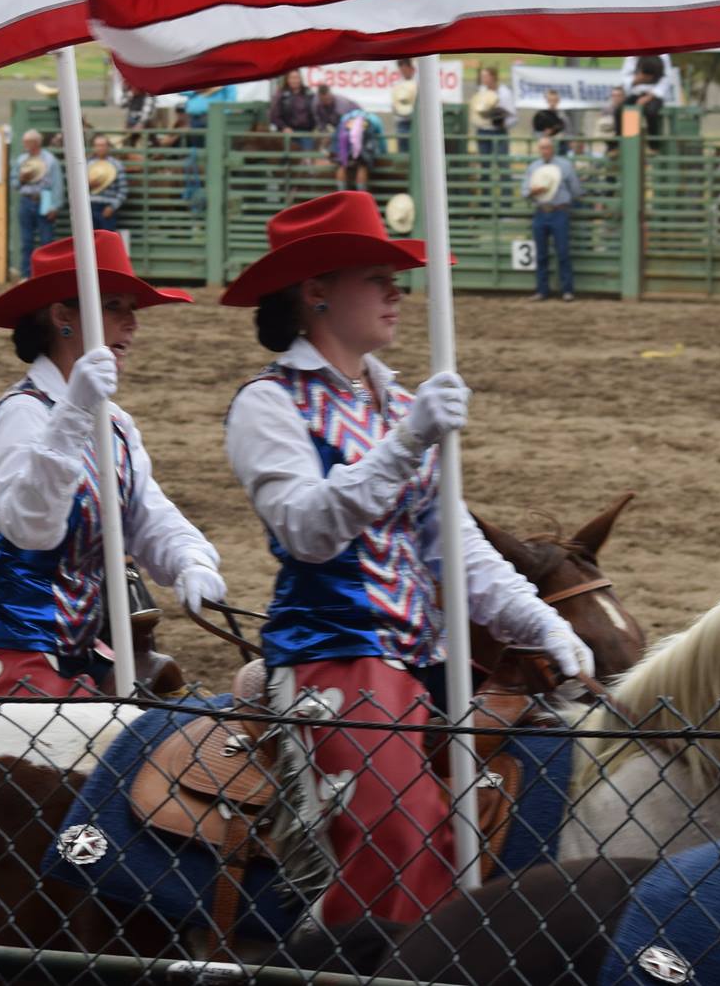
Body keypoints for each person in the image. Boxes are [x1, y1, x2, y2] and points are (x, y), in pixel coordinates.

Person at [220, 192, 593, 929]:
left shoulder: (398, 402)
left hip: (419, 663)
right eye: (375, 275)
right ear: (316, 291)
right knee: (400, 832)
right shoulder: (268, 404)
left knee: (473, 827)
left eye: (397, 275)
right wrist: (408, 442)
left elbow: (454, 546)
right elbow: (307, 529)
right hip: (332, 655)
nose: (398, 290)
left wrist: (540, 622)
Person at [0, 231, 225, 702]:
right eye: (115, 306)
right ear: (63, 317)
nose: (132, 324)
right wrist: (74, 410)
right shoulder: (21, 414)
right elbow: (31, 528)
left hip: (86, 648)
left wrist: (190, 559)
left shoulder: (116, 425)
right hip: (9, 645)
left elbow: (150, 514)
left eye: (131, 308)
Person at [521, 136, 581, 301]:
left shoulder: (565, 166)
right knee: (541, 254)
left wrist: (565, 202)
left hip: (559, 211)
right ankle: (542, 290)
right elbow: (524, 191)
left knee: (562, 252)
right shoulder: (533, 167)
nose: (544, 151)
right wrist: (533, 192)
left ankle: (567, 290)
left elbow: (575, 189)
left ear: (552, 149)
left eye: (547, 147)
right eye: (542, 148)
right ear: (539, 149)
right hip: (541, 211)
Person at [11, 129, 63, 276]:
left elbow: (57, 185)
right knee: (26, 241)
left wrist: (54, 206)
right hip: (26, 200)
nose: (24, 144)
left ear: (36, 143)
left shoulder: (50, 160)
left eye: (27, 142)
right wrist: (20, 179)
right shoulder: (21, 160)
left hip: (45, 198)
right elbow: (14, 183)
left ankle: (46, 274)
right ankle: (26, 275)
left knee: (47, 240)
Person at [331, 101, 384, 193]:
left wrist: (335, 151)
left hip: (345, 135)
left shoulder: (346, 117)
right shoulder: (372, 118)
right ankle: (361, 194)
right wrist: (383, 152)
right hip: (362, 133)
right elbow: (381, 138)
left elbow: (337, 137)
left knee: (342, 164)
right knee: (362, 164)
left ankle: (342, 193)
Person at [609, 55, 667, 138]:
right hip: (635, 93)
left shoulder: (663, 55)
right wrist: (636, 80)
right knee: (622, 111)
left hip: (654, 95)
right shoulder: (631, 55)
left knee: (651, 112)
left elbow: (666, 78)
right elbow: (626, 77)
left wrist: (649, 97)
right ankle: (624, 143)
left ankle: (654, 146)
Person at [470, 64, 515, 163]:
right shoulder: (481, 91)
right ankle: (485, 178)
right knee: (484, 162)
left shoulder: (505, 93)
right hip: (483, 131)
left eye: (485, 76)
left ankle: (504, 178)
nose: (483, 79)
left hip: (499, 131)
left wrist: (503, 123)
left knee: (502, 162)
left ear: (493, 77)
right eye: (482, 76)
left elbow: (512, 116)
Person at [269, 71, 319, 148]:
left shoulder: (309, 94)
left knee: (307, 156)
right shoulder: (281, 95)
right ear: (287, 79)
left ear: (300, 79)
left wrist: (315, 127)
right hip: (287, 132)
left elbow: (316, 112)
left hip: (306, 132)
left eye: (297, 78)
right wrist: (284, 127)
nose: (295, 80)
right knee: (289, 156)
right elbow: (274, 115)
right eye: (292, 78)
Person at [88, 135, 127, 232]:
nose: (100, 148)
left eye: (103, 145)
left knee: (106, 241)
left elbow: (123, 190)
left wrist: (112, 207)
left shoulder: (117, 165)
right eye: (97, 145)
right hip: (89, 207)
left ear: (108, 147)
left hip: (107, 207)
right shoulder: (87, 164)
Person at [530, 86, 571, 151]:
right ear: (546, 100)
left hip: (561, 148)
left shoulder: (563, 117)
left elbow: (568, 134)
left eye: (554, 100)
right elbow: (535, 133)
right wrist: (544, 135)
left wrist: (560, 135)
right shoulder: (540, 115)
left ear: (558, 101)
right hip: (544, 149)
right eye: (550, 100)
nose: (552, 103)